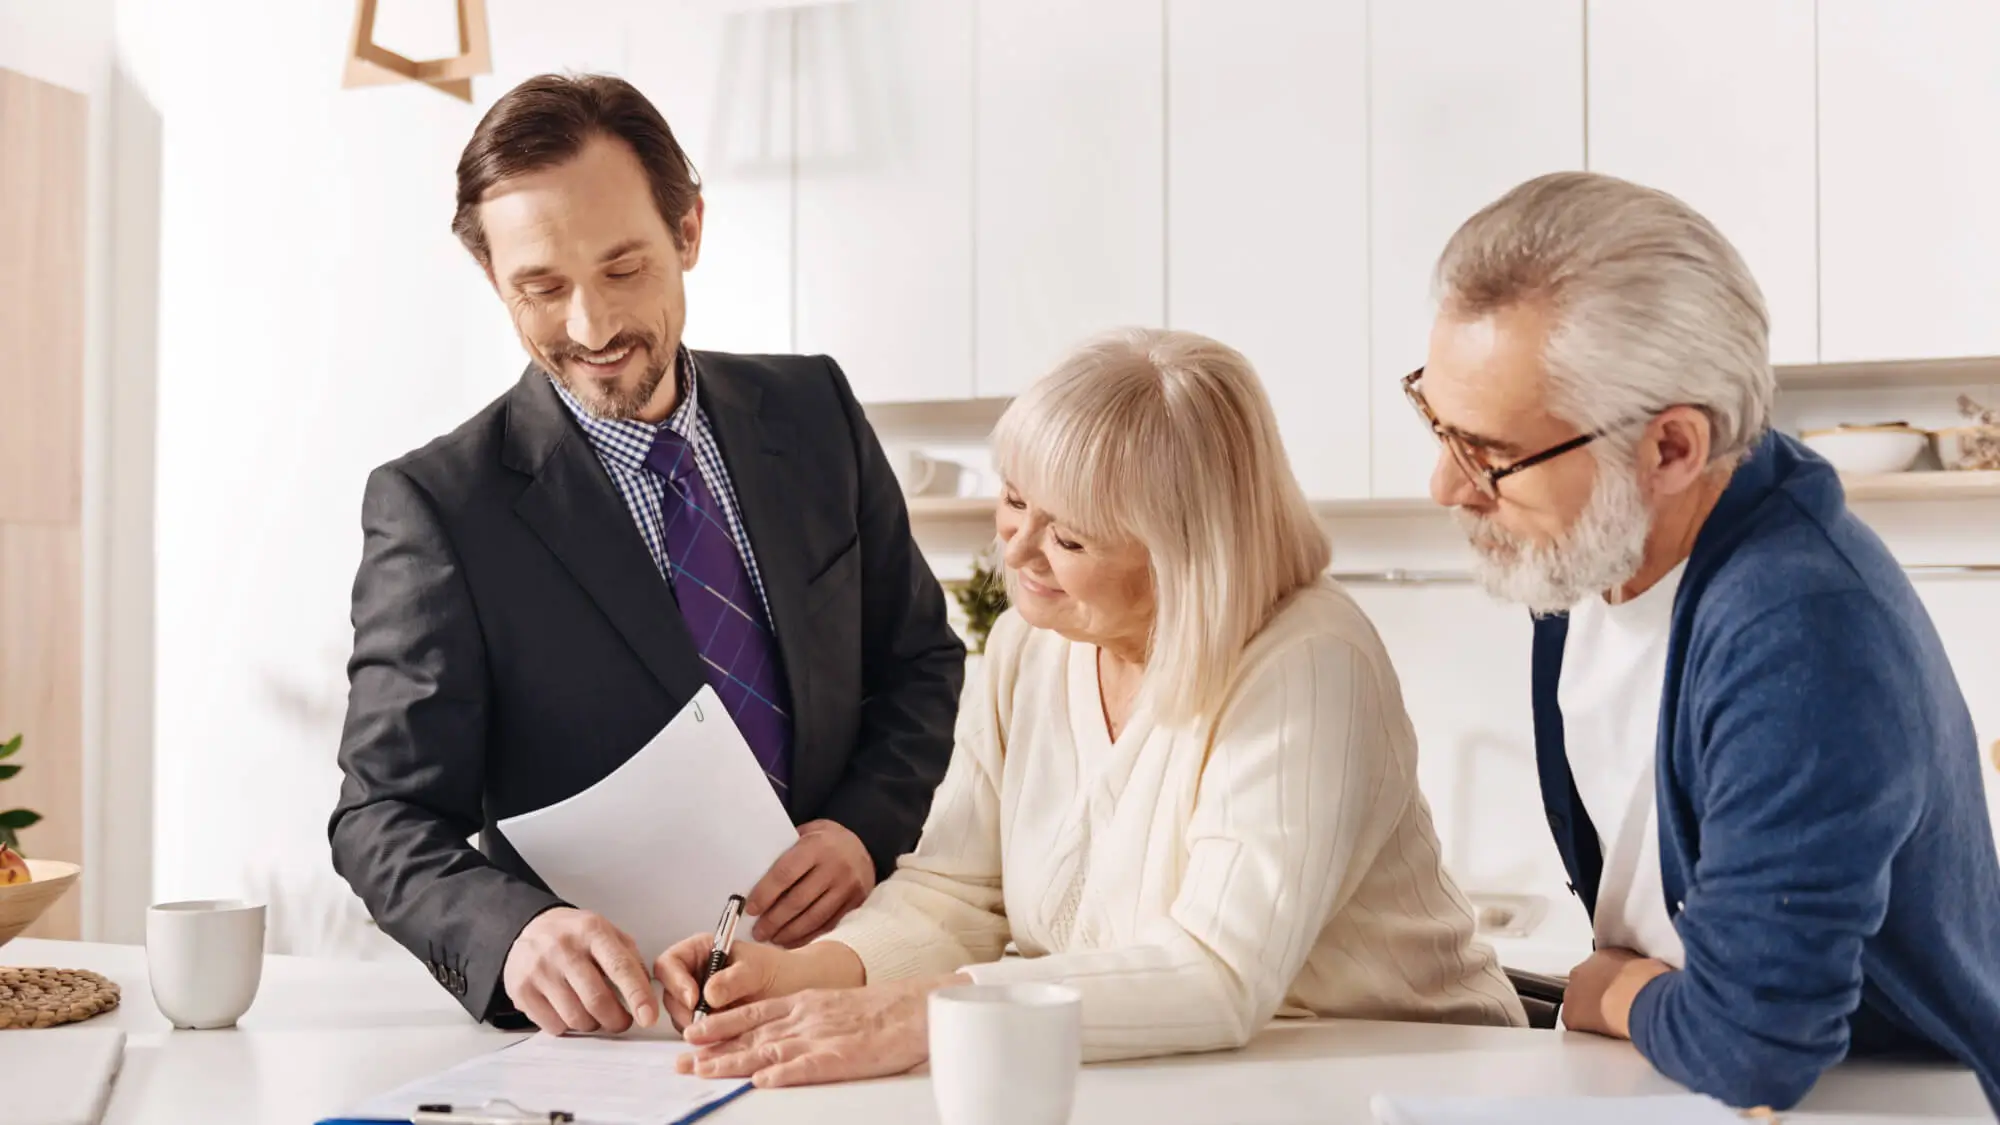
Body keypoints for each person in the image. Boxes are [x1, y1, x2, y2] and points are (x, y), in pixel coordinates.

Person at [653, 327, 1527, 1088]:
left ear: (1185, 551)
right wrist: (807, 973)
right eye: (1015, 501)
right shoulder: (1036, 644)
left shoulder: (1307, 661)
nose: (1020, 549)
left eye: (1069, 536)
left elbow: (1215, 971)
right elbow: (957, 892)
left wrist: (928, 1013)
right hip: (1202, 1084)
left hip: (1405, 1080)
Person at [328, 74, 965, 1035]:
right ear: (493, 279)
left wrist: (861, 829)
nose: (591, 328)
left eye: (624, 268)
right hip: (620, 1035)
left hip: (845, 981)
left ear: (689, 232)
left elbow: (920, 663)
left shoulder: (817, 413)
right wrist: (516, 933)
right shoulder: (438, 510)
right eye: (540, 287)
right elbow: (382, 817)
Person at [1408, 170, 2000, 1112]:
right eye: (1436, 418)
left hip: (1873, 1103)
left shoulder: (1803, 632)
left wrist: (1612, 989)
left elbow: (1755, 1043)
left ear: (1673, 449)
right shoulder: (1586, 545)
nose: (1446, 482)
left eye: (1489, 453)